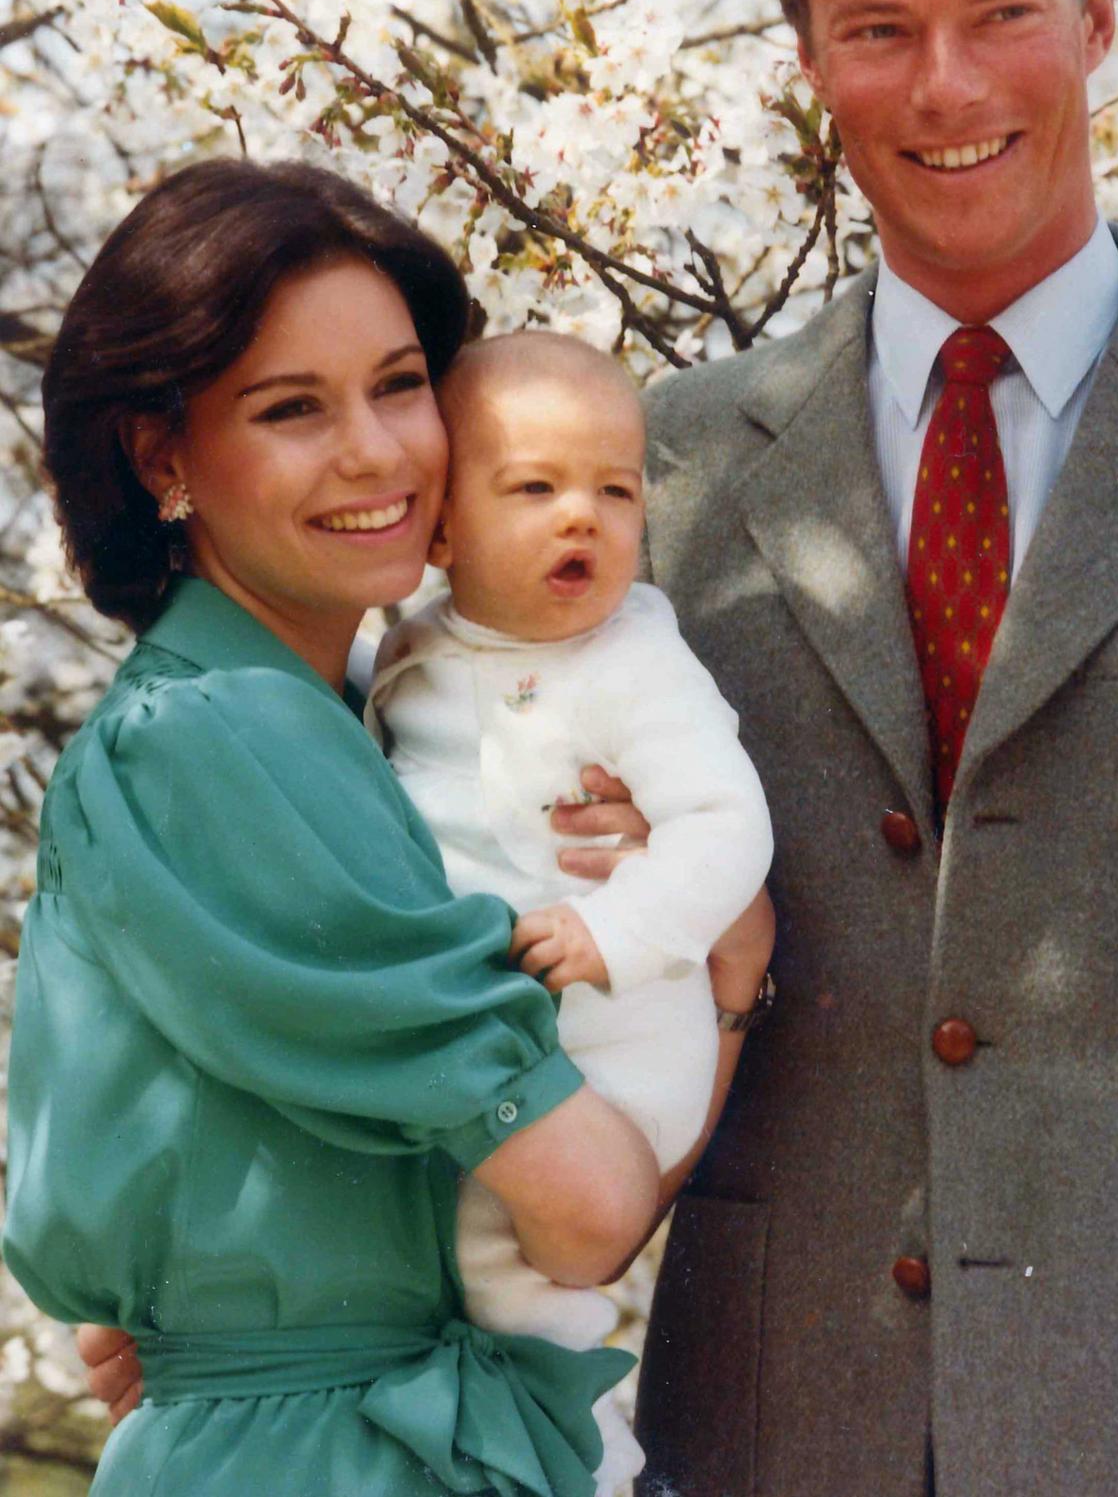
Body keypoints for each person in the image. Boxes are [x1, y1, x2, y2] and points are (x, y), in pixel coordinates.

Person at [552, 0, 1118, 1495]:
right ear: (809, 61)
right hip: (765, 1427)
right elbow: (457, 862)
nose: (944, 85)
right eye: (876, 28)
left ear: (1099, 23)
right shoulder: (652, 473)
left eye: (1003, 11)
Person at [4, 156, 687, 1497]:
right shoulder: (219, 740)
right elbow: (588, 1210)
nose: (378, 451)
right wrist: (727, 968)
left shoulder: (341, 720)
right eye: (291, 408)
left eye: (397, 383)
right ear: (163, 456)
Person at [362, 331, 774, 1495]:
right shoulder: (414, 646)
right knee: (442, 1276)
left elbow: (723, 825)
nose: (579, 517)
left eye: (614, 487)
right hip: (496, 1046)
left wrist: (619, 931)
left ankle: (583, 1468)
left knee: (510, 1294)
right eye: (533, 487)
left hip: (614, 1036)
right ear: (439, 526)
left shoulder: (637, 662)